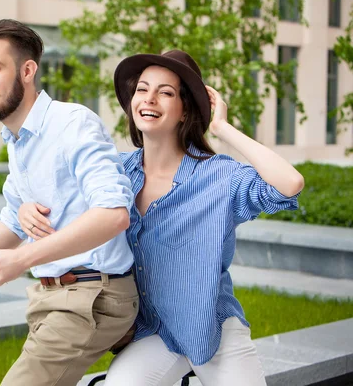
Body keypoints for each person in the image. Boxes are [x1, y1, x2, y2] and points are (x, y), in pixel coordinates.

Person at [18, 50, 305, 386]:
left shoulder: (218, 176)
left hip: (211, 328)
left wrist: (222, 128)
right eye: (142, 89)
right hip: (152, 332)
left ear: (186, 111)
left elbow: (289, 184)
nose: (149, 99)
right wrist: (26, 207)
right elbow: (64, 205)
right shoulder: (117, 172)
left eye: (166, 92)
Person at [0, 19, 139, 386]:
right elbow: (13, 221)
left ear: (27, 71)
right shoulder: (17, 139)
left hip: (94, 296)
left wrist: (20, 258)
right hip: (52, 296)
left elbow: (113, 215)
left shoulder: (72, 124)